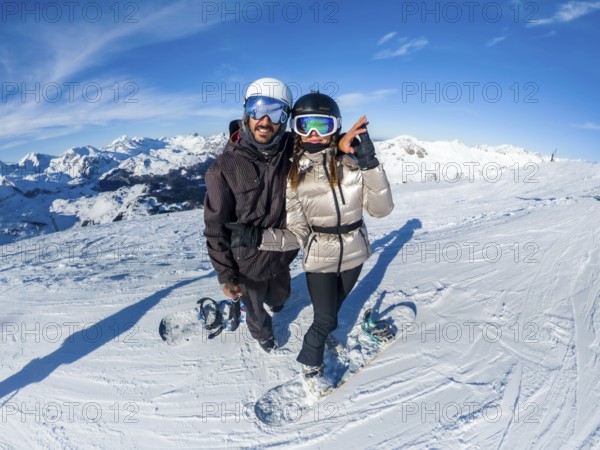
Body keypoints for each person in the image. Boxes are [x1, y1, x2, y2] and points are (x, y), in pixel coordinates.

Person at [226, 92, 394, 381]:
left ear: (335, 127)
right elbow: (296, 234)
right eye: (305, 126)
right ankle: (310, 363)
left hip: (355, 253)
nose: (314, 134)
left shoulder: (353, 165)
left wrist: (369, 164)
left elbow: (381, 210)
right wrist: (257, 238)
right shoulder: (294, 177)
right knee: (325, 317)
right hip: (319, 259)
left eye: (322, 125)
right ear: (295, 129)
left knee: (335, 309)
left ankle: (325, 338)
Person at [203, 77, 299, 353]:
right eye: (258, 108)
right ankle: (263, 337)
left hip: (281, 255)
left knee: (281, 294)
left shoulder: (290, 150)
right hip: (247, 265)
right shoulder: (223, 169)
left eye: (276, 112)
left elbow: (319, 141)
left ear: (286, 119)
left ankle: (278, 302)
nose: (265, 120)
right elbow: (214, 229)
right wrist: (226, 275)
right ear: (246, 111)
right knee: (255, 309)